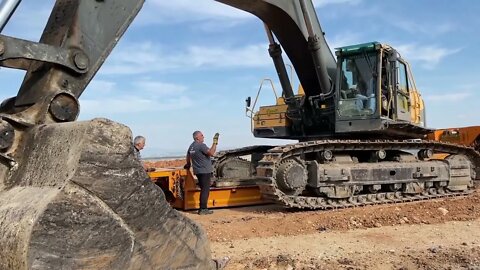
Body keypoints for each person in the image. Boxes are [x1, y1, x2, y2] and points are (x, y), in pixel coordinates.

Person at [184, 131, 219, 215]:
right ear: (197, 138)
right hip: (205, 171)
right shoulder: (201, 145)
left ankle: (203, 208)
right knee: (205, 190)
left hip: (198, 171)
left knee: (203, 188)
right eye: (202, 135)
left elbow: (188, 156)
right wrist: (215, 143)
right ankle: (203, 209)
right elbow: (211, 153)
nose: (203, 136)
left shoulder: (192, 146)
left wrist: (188, 164)